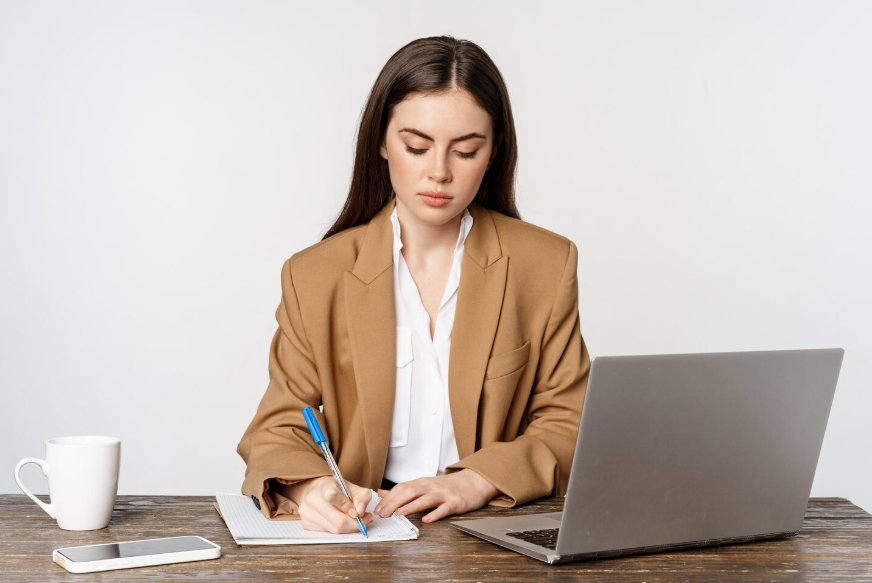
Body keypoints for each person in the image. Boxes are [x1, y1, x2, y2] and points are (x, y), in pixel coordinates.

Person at [236, 35, 592, 534]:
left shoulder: (545, 264)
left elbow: (570, 422)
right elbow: (277, 428)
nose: (439, 172)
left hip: (491, 525)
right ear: (381, 142)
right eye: (417, 147)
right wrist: (311, 488)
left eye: (465, 150)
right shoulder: (314, 275)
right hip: (366, 530)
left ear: (493, 152)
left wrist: (477, 481)